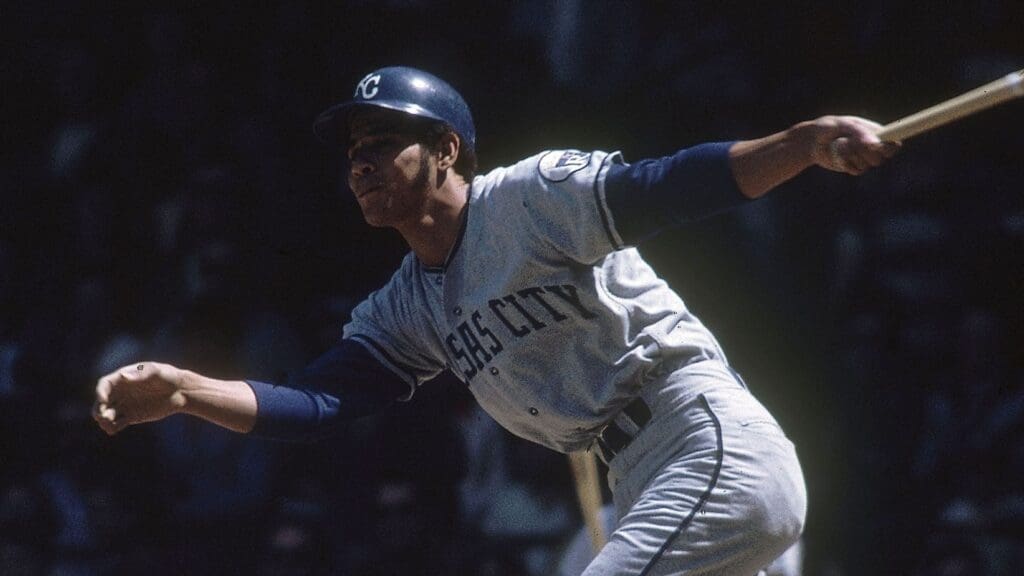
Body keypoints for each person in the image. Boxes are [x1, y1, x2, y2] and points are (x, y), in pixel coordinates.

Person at [93, 66, 898, 574]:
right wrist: (188, 392)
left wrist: (800, 142)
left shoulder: (527, 198)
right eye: (352, 151)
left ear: (445, 148)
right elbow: (317, 405)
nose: (361, 161)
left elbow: (670, 187)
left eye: (383, 140)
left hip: (702, 441)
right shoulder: (406, 303)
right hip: (640, 480)